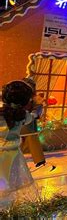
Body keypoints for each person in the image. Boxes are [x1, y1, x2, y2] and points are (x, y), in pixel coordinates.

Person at [0, 80, 41, 208]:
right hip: (13, 155)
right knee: (12, 182)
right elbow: (33, 116)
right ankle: (9, 207)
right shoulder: (23, 116)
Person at [20, 78, 55, 172]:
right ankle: (17, 160)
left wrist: (33, 114)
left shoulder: (35, 99)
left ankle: (39, 160)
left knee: (32, 140)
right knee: (19, 141)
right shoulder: (18, 97)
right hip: (19, 122)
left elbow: (38, 107)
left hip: (29, 123)